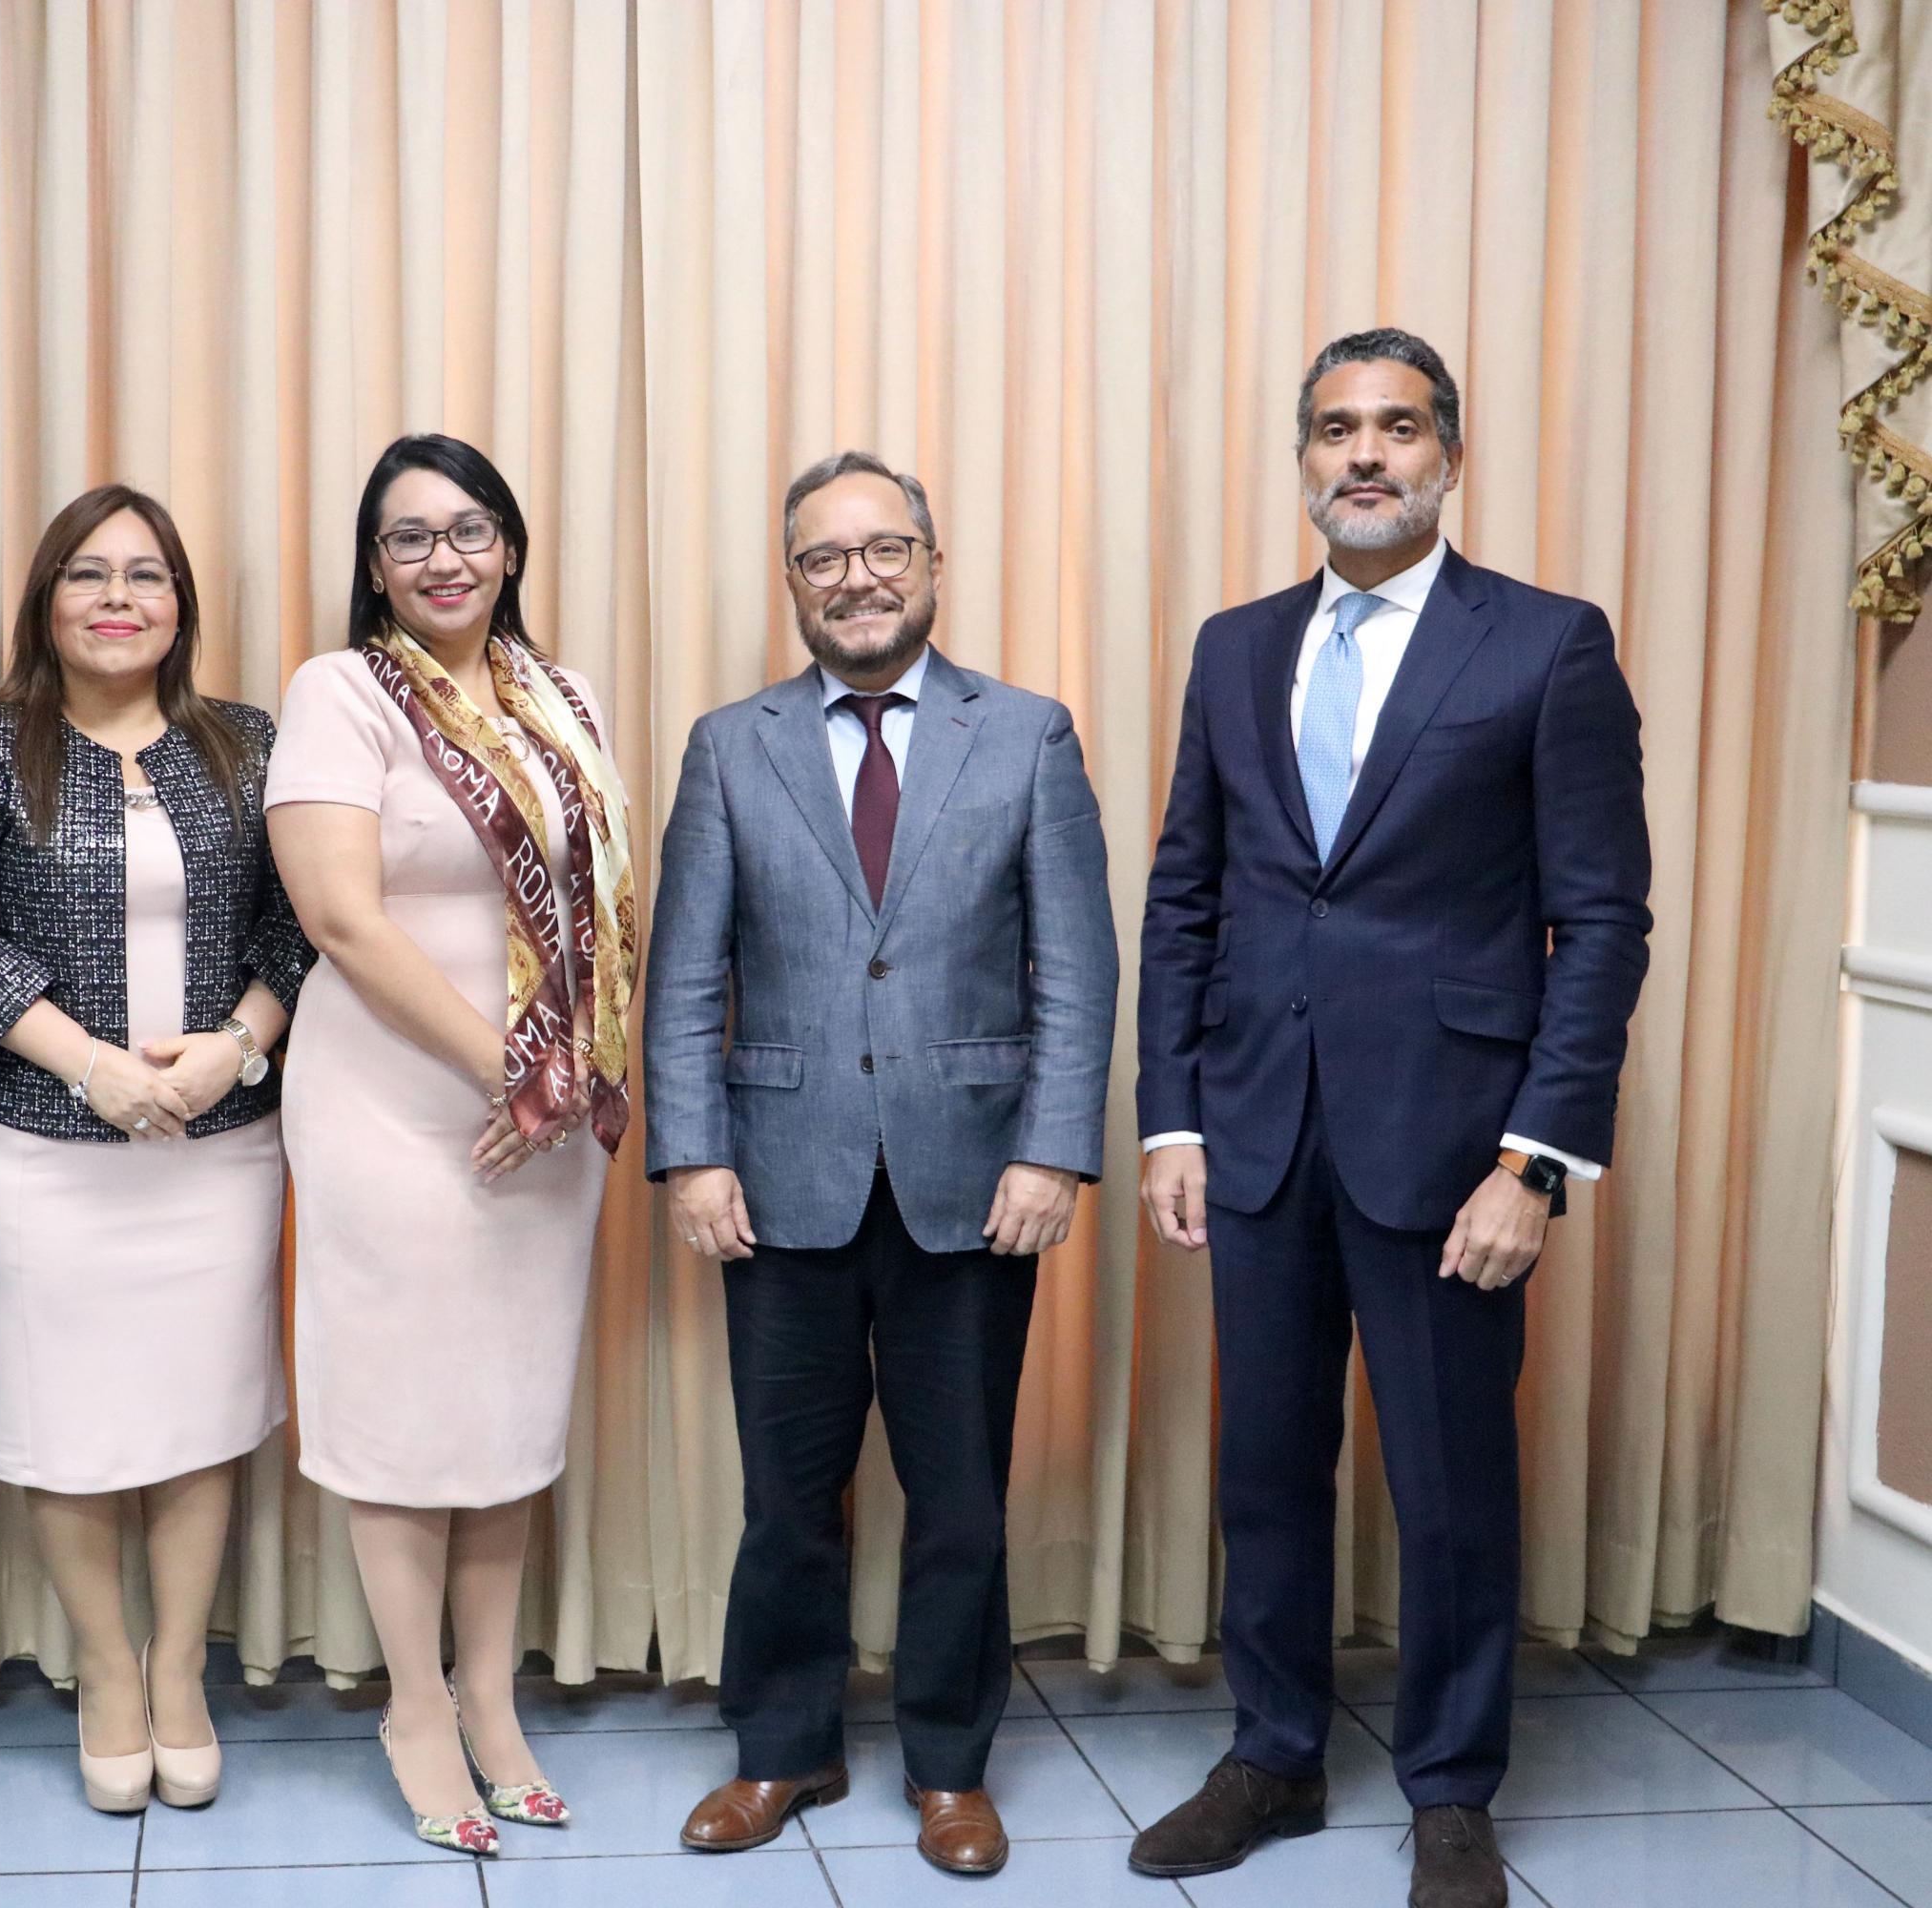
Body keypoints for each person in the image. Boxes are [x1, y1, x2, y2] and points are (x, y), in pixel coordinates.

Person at [1131, 330, 1653, 1908]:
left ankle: (1450, 1791)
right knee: (1267, 1473)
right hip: (1261, 1132)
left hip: (1453, 1148)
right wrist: (1172, 1120)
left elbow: (1604, 920)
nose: (1366, 454)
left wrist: (1535, 1164)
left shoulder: (1548, 646)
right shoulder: (1234, 647)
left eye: (1399, 428)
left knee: (1448, 1484)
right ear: (1304, 459)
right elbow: (1187, 897)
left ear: (1449, 457)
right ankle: (1275, 1756)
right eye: (1337, 429)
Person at [644, 449, 1118, 1877]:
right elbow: (682, 977)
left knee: (959, 1494)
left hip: (975, 1183)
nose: (855, 578)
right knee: (787, 1496)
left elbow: (1078, 972)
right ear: (792, 582)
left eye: (882, 550)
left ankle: (951, 1767)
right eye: (821, 558)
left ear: (930, 562)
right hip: (775, 1177)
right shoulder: (732, 744)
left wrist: (1052, 1151)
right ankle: (781, 1751)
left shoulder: (1026, 734)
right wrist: (690, 1159)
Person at [0, 484, 309, 1815]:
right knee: (66, 1424)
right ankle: (106, 1671)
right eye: (89, 573)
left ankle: (181, 1670)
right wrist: (97, 1072)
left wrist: (235, 1047)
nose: (118, 597)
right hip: (38, 1155)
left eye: (146, 575)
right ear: (47, 601)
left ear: (182, 605)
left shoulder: (249, 743)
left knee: (199, 1423)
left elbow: (301, 927)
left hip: (220, 1154)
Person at [265, 434, 636, 1856]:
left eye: (470, 530)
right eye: (409, 536)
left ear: (513, 550)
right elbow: (342, 919)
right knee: (404, 1415)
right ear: (373, 565)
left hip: (544, 1127)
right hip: (394, 1109)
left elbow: (601, 901)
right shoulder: (341, 692)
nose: (443, 559)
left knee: (508, 1410)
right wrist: (517, 1070)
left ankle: (493, 1702)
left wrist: (567, 1085)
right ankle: (413, 1706)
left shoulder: (564, 695)